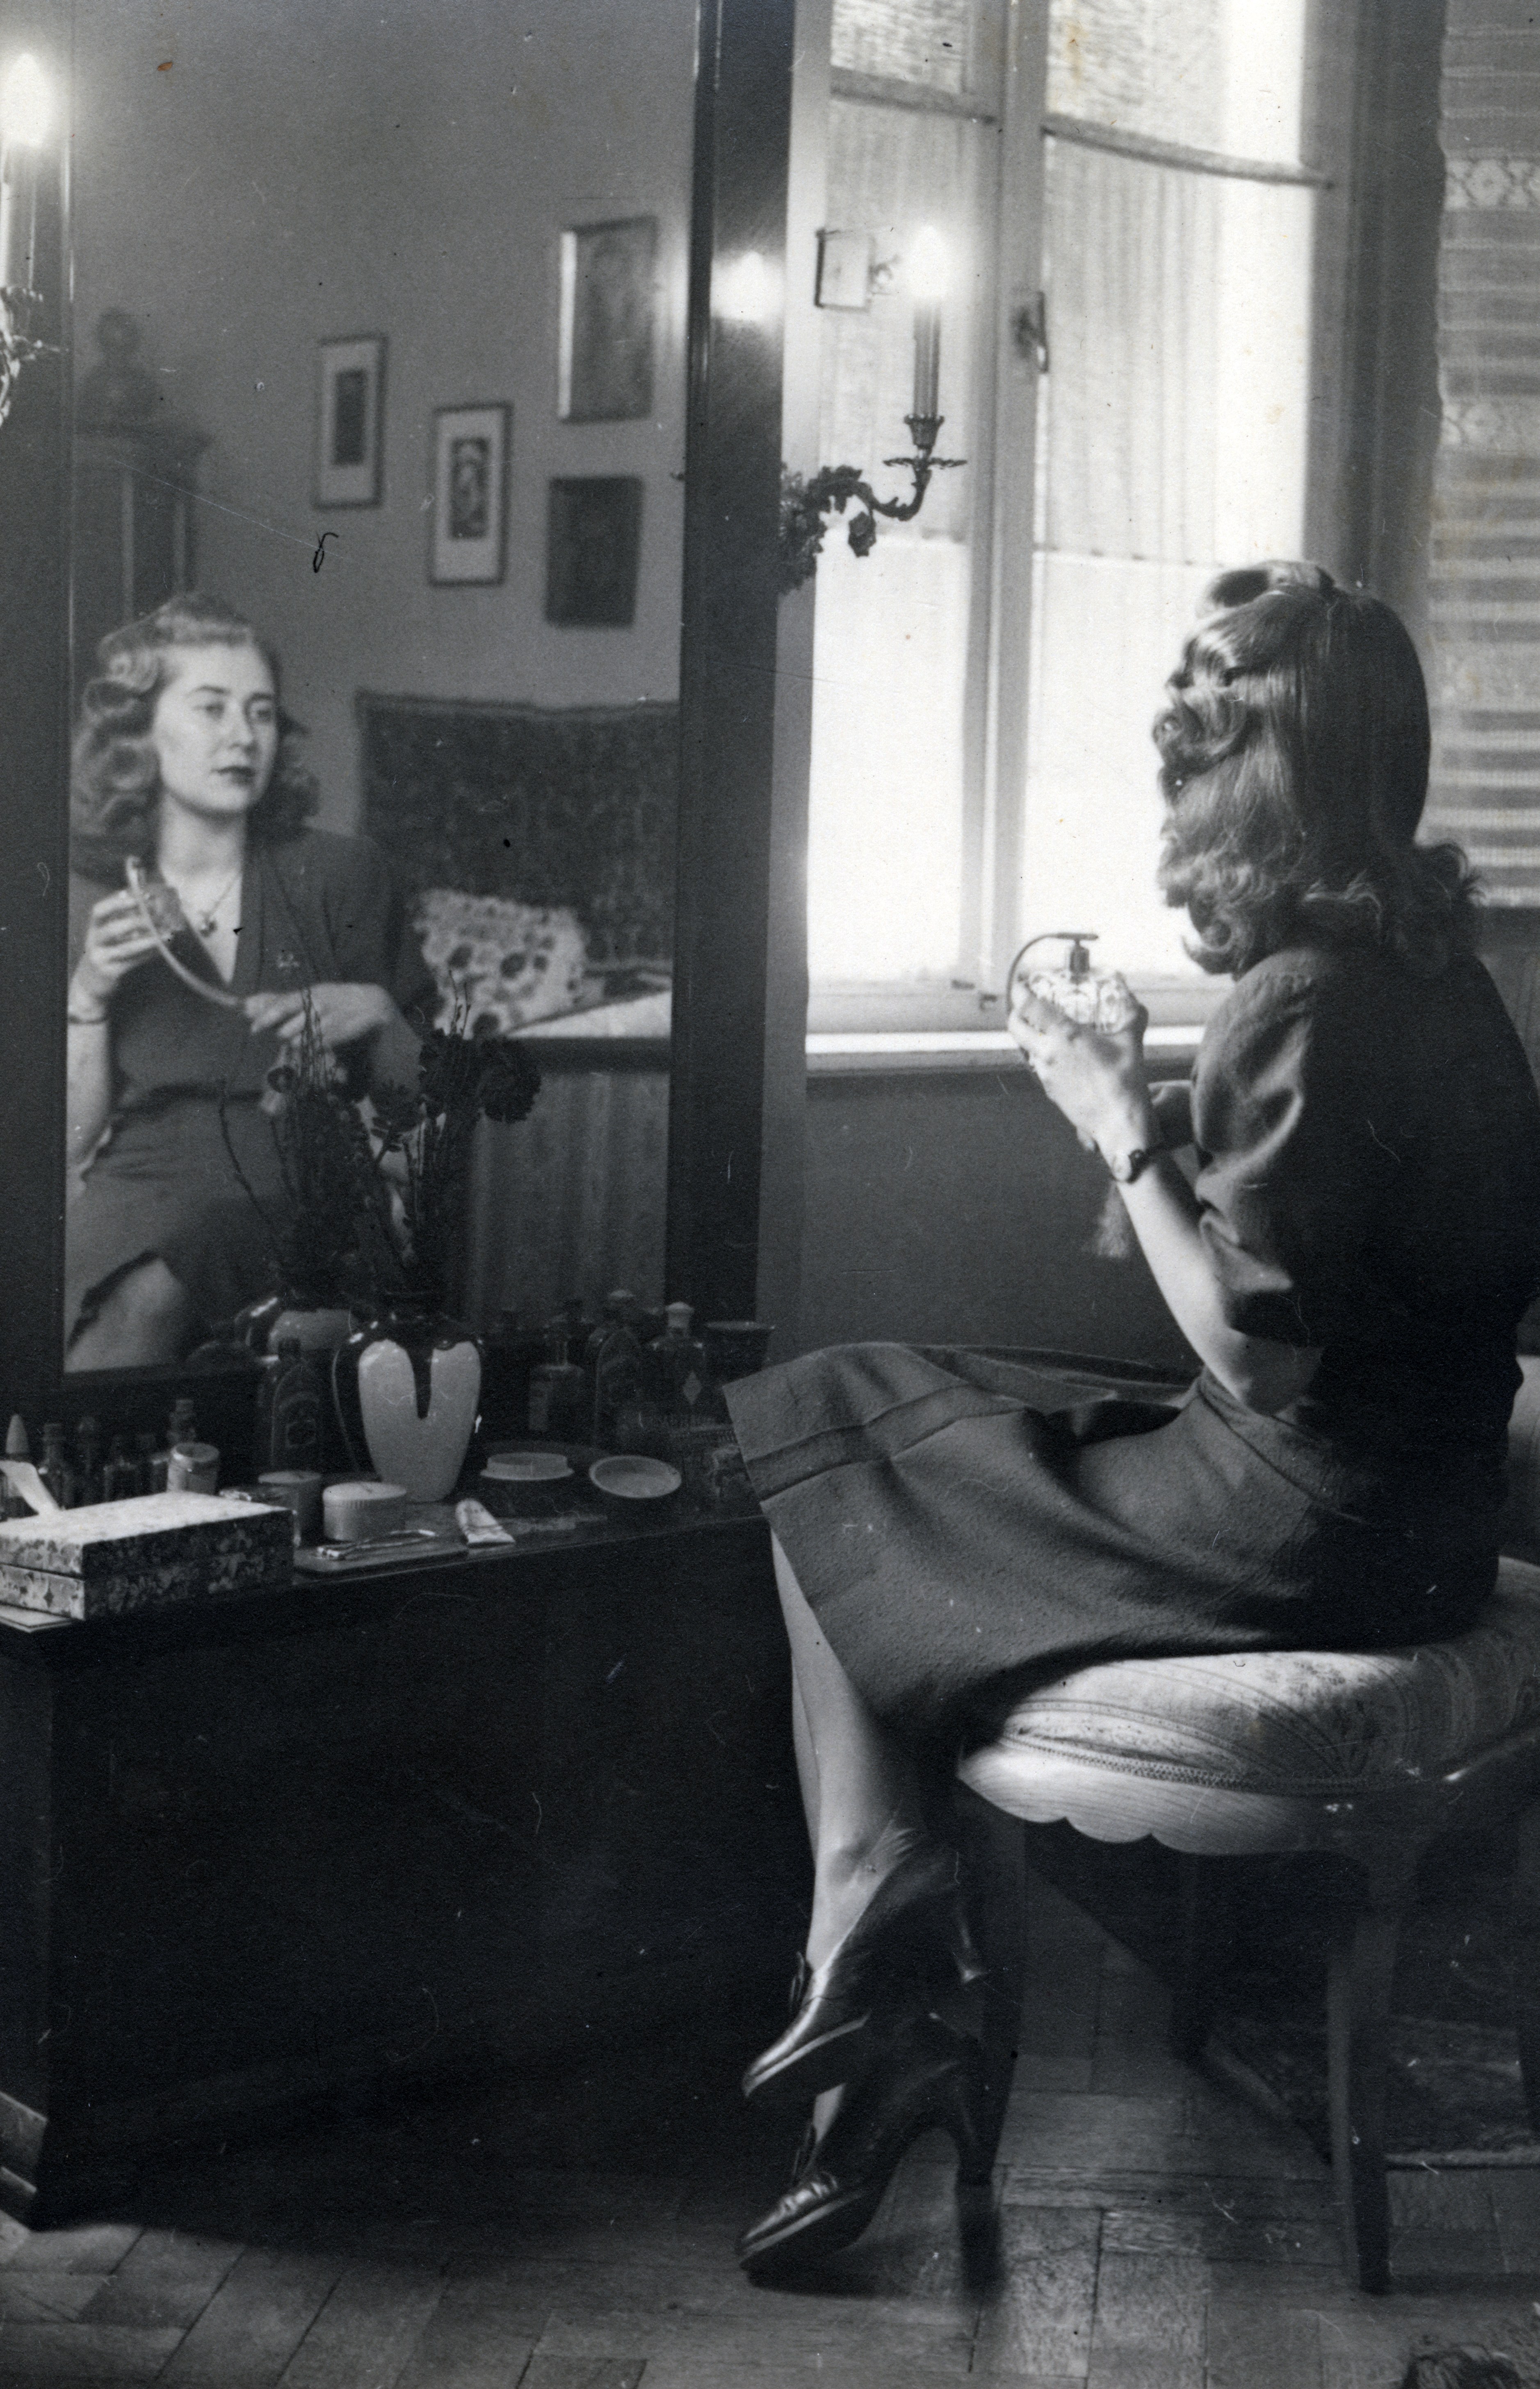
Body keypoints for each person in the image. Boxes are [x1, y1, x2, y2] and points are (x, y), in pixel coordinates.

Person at [725, 563, 1540, 2273]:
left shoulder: (1298, 995)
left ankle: (867, 1935)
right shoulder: (1438, 975)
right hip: (1430, 1518)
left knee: (826, 1419)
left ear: (1258, 780)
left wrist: (1112, 1113)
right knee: (898, 1425)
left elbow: (1251, 1355)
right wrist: (1159, 1117)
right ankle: (879, 1956)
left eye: (1194, 764)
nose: (1175, 796)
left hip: (1304, 1520)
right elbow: (1331, 1280)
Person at [65, 592, 438, 1369]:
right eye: (212, 708)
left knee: (163, 1287)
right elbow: (66, 1139)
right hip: (137, 1182)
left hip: (304, 1175)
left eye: (261, 713)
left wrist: (377, 1013)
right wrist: (91, 991)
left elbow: (433, 1123)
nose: (242, 735)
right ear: (140, 732)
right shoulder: (87, 896)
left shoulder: (342, 874)